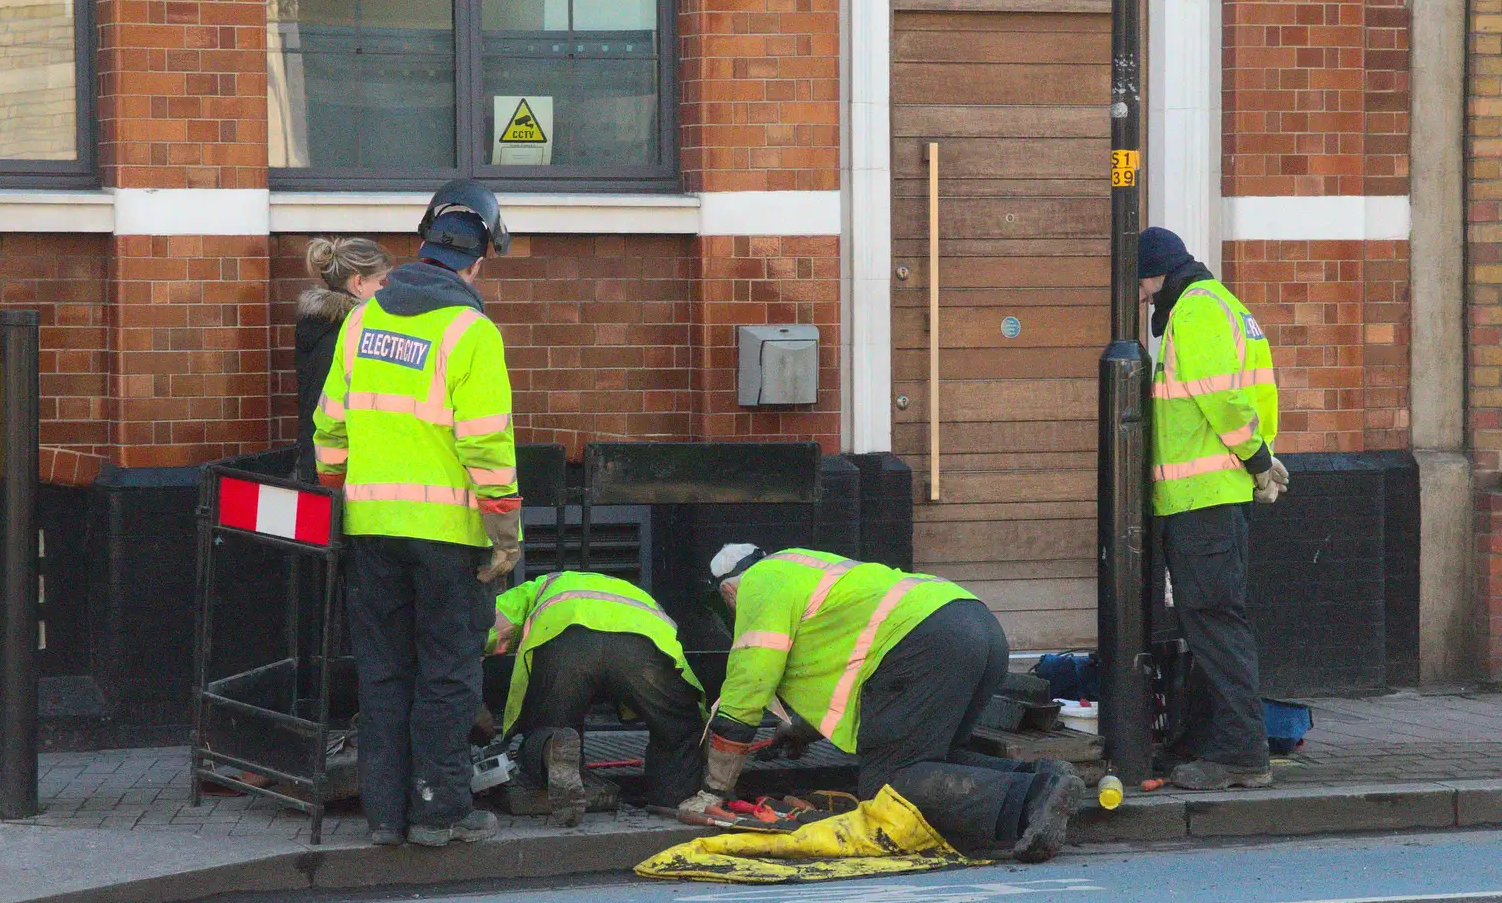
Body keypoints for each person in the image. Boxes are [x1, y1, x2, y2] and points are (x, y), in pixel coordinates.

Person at [313, 180, 522, 848]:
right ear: (479, 257)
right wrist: (505, 535)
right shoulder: (471, 331)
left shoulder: (363, 320)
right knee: (447, 672)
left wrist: (339, 502)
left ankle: (385, 815)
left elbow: (329, 429)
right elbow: (487, 444)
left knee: (381, 671)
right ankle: (438, 810)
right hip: (447, 539)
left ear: (423, 242)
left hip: (370, 534)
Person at [683, 545, 1085, 863]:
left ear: (728, 589)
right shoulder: (801, 568)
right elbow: (839, 661)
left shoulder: (759, 583)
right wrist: (801, 728)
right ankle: (1045, 777)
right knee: (935, 757)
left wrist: (714, 788)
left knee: (889, 784)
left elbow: (749, 682)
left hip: (925, 640)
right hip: (971, 621)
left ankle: (1028, 800)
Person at [1138, 225, 1286, 792]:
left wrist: (1256, 459)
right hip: (1217, 499)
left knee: (1215, 624)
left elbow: (1222, 399)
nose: (1146, 300)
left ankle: (1241, 753)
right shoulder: (1226, 304)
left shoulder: (1196, 311)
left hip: (1204, 500)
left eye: (1145, 288)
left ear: (1157, 273)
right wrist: (1261, 461)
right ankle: (1205, 743)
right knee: (1209, 622)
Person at [487, 570, 705, 826]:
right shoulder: (630, 591)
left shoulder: (533, 589)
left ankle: (553, 751)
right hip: (641, 641)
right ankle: (672, 800)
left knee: (549, 724)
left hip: (566, 637)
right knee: (678, 725)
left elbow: (489, 627)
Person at [294, 237, 393, 483]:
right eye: (382, 282)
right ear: (359, 282)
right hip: (338, 471)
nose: (387, 291)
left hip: (315, 461)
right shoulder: (351, 335)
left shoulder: (318, 325)